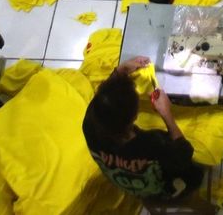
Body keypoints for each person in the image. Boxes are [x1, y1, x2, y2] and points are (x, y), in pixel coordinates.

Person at [83, 56, 214, 214]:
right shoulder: (152, 143)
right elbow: (184, 152)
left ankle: (151, 204)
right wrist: (167, 114)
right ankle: (202, 208)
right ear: (133, 117)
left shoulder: (90, 124)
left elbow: (103, 100)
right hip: (165, 189)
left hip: (133, 187)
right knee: (193, 176)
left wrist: (120, 71)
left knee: (148, 195)